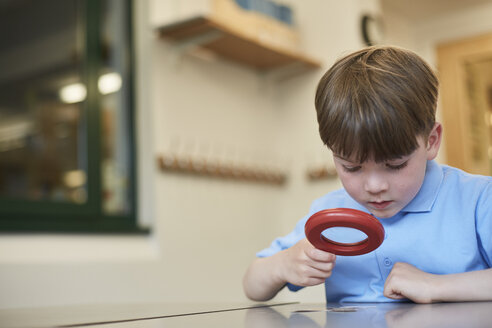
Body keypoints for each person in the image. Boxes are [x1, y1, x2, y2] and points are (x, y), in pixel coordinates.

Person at [242, 46, 492, 304]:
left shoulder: (478, 200)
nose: (374, 186)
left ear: (430, 141)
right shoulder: (328, 212)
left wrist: (436, 286)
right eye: (352, 167)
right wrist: (282, 265)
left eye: (395, 165)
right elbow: (252, 285)